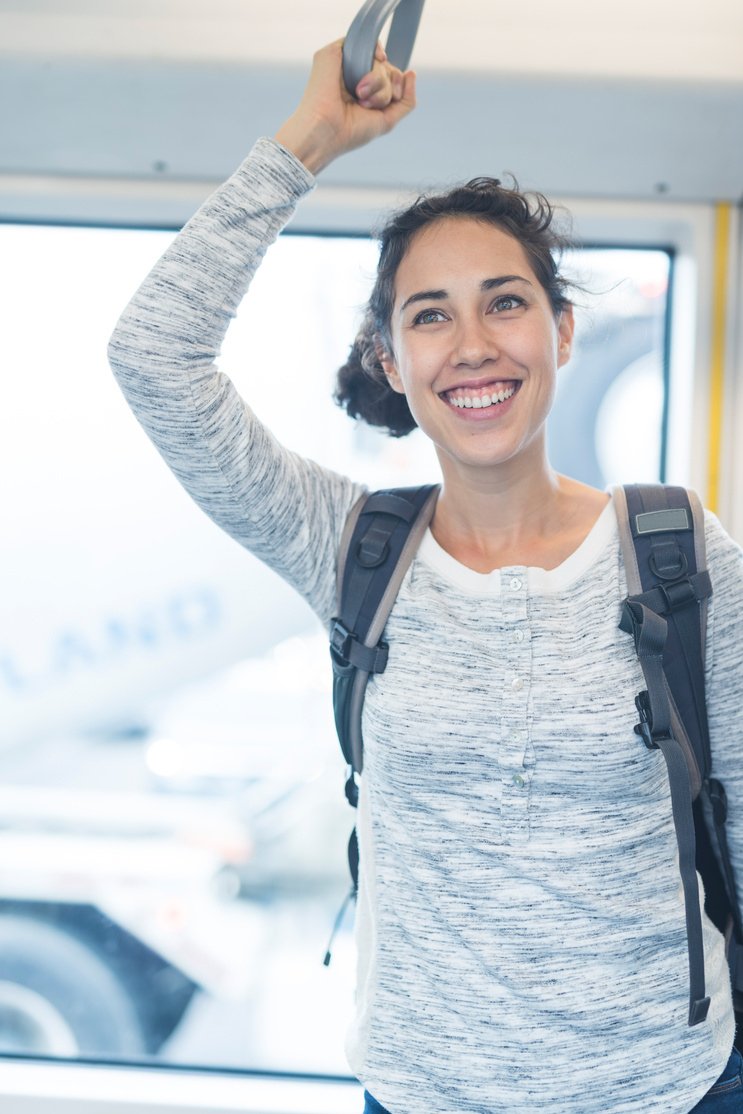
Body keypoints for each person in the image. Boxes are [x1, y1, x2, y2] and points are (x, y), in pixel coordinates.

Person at [108, 37, 743, 1114]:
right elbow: (152, 359)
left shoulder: (679, 551)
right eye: (429, 314)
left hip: (668, 1089)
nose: (470, 345)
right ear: (392, 362)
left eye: (503, 302)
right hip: (421, 1093)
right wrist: (314, 137)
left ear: (561, 331)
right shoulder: (350, 545)